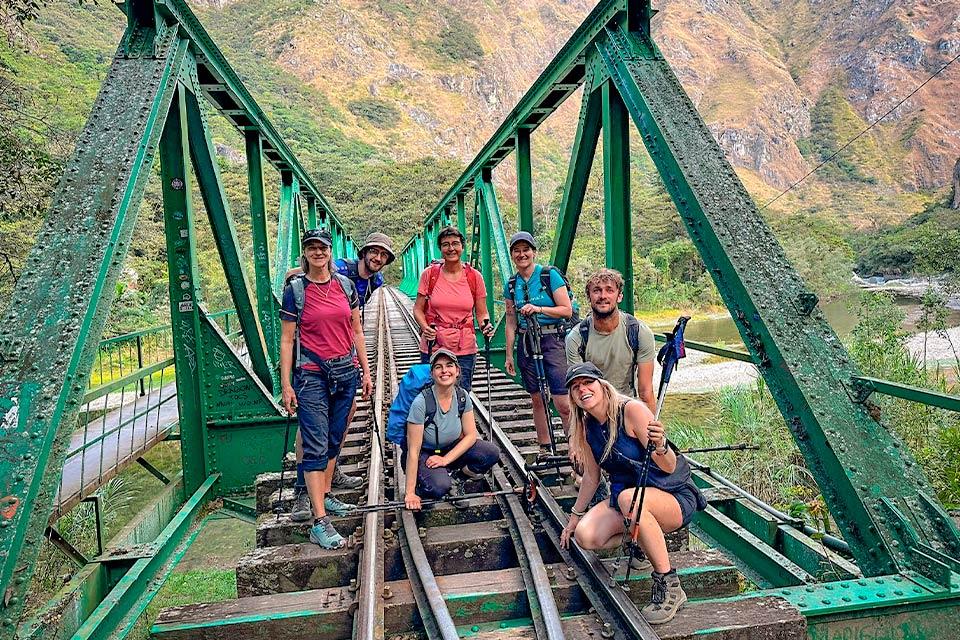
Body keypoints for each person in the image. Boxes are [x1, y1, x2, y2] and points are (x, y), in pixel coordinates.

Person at [559, 363, 702, 624]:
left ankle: (669, 585)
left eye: (587, 383)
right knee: (586, 536)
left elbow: (669, 466)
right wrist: (574, 517)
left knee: (628, 499)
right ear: (573, 397)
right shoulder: (587, 426)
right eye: (576, 387)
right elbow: (591, 477)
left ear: (602, 385)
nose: (583, 390)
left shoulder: (632, 411)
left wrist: (660, 445)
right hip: (630, 501)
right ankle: (640, 541)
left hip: (671, 496)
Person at [280, 228, 373, 549]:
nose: (318, 252)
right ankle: (319, 521)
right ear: (305, 253)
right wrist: (286, 383)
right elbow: (287, 339)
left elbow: (357, 330)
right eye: (311, 248)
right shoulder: (296, 291)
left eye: (323, 247)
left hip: (346, 372)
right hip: (312, 376)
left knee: (334, 440)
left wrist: (366, 371)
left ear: (331, 251)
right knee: (316, 444)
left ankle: (326, 494)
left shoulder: (346, 286)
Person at [287, 232, 396, 501]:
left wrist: (363, 367)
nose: (377, 258)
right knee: (311, 425)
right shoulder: (342, 267)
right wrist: (294, 287)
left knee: (345, 414)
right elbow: (301, 270)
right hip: (312, 358)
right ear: (364, 252)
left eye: (383, 255)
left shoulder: (375, 281)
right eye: (374, 252)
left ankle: (330, 471)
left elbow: (355, 327)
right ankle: (303, 487)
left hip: (343, 359)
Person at [503, 231, 574, 460]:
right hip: (526, 342)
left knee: (562, 401)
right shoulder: (512, 285)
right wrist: (509, 355)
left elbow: (566, 310)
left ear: (533, 252)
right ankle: (545, 448)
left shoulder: (549, 275)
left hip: (552, 340)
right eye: (517, 250)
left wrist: (539, 309)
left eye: (526, 249)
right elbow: (511, 321)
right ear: (512, 254)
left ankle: (575, 449)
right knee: (537, 398)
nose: (522, 254)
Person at [403, 349, 500, 509]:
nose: (444, 371)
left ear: (457, 371)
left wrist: (445, 459)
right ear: (432, 373)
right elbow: (413, 451)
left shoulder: (462, 396)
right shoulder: (421, 402)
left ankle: (456, 479)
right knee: (439, 487)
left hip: (448, 451)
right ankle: (428, 484)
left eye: (449, 365)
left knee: (490, 453)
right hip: (425, 454)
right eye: (438, 367)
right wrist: (410, 493)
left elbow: (470, 436)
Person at [413, 226, 494, 390]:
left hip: (464, 346)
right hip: (434, 344)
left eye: (455, 243)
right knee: (433, 395)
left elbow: (482, 312)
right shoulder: (429, 274)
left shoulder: (474, 276)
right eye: (445, 244)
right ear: (440, 249)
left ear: (462, 247)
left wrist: (486, 325)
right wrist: (424, 327)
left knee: (462, 395)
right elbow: (418, 309)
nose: (451, 248)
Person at [565, 268, 656, 413]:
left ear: (619, 296)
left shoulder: (638, 332)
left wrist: (650, 429)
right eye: (596, 290)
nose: (603, 296)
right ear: (589, 297)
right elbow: (578, 389)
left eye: (609, 290)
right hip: (593, 409)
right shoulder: (577, 338)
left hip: (627, 406)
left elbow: (645, 391)